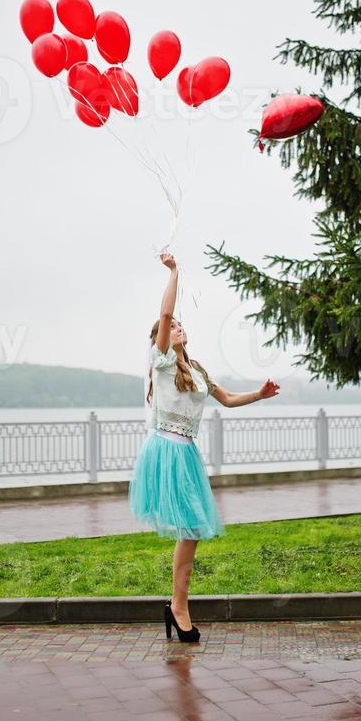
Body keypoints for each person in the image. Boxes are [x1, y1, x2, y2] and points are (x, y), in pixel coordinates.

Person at [128, 250, 280, 642]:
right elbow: (163, 315)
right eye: (172, 326)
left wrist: (260, 395)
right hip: (166, 452)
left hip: (187, 454)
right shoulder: (160, 361)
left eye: (180, 325)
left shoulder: (196, 370)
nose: (176, 326)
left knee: (192, 528)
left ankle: (178, 604)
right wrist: (175, 272)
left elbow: (227, 399)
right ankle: (179, 607)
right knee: (191, 528)